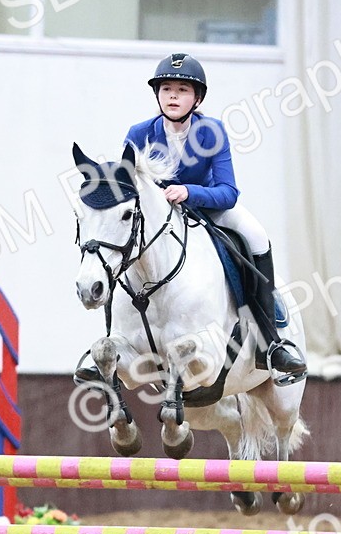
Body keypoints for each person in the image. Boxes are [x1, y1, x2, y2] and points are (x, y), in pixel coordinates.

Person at [123, 52, 306, 381]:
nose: (174, 96)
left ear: (197, 98)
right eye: (166, 89)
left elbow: (228, 190)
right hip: (159, 221)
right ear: (158, 95)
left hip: (209, 208)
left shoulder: (212, 131)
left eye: (182, 90)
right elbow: (128, 187)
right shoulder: (139, 134)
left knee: (256, 235)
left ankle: (271, 342)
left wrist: (189, 192)